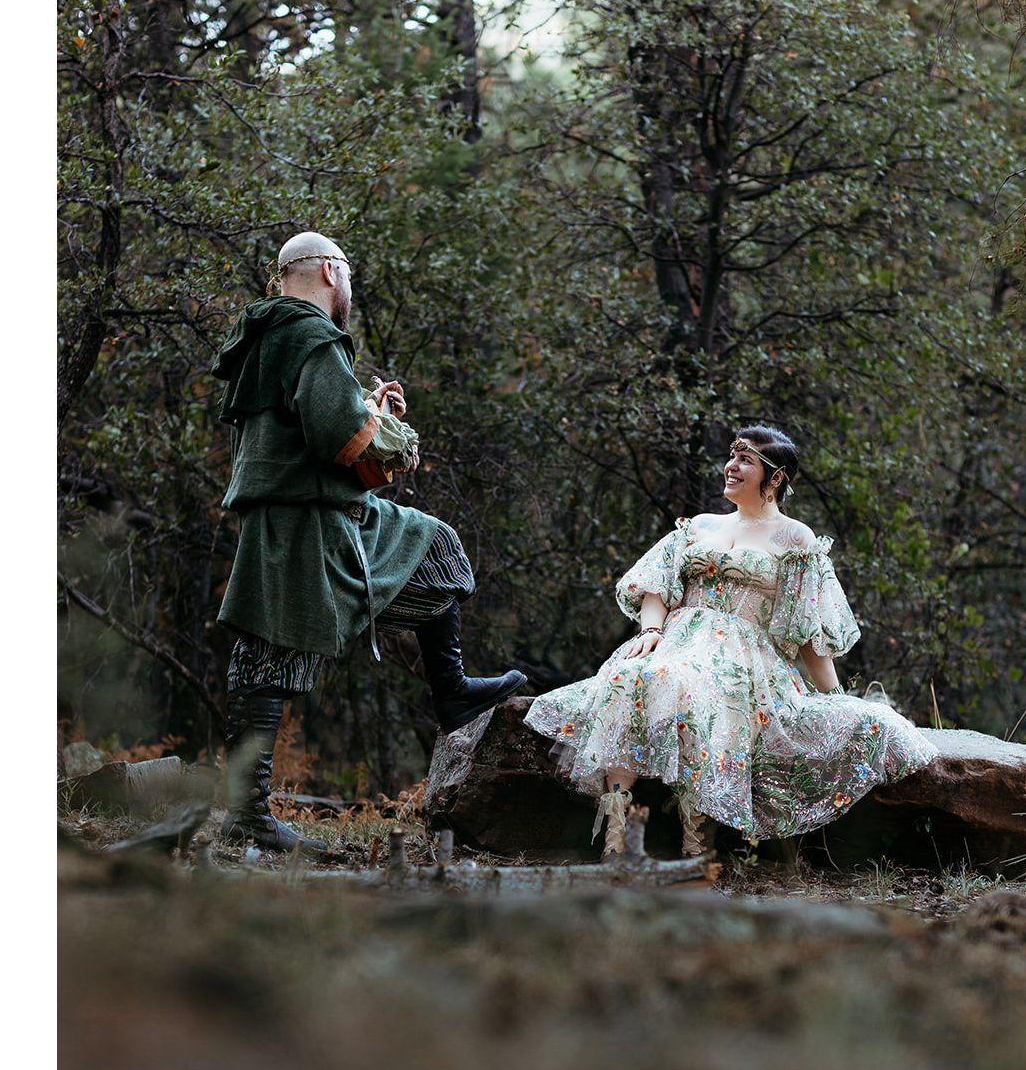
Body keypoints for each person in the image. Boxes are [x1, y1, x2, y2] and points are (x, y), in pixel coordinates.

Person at [213, 231, 526, 854]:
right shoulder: (311, 333)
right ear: (331, 273)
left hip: (289, 515)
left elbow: (307, 424)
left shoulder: (263, 334)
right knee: (271, 655)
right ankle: (247, 814)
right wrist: (382, 426)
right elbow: (340, 436)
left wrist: (366, 407)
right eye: (348, 275)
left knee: (428, 547)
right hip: (310, 521)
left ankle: (452, 692)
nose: (349, 288)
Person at [525, 426, 938, 858]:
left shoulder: (795, 538)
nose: (731, 466)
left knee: (699, 690)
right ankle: (616, 839)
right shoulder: (700, 525)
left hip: (743, 656)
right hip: (677, 641)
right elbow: (656, 586)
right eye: (732, 456)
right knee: (633, 677)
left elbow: (807, 627)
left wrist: (833, 696)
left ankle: (695, 842)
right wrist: (650, 631)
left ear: (775, 477)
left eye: (746, 460)